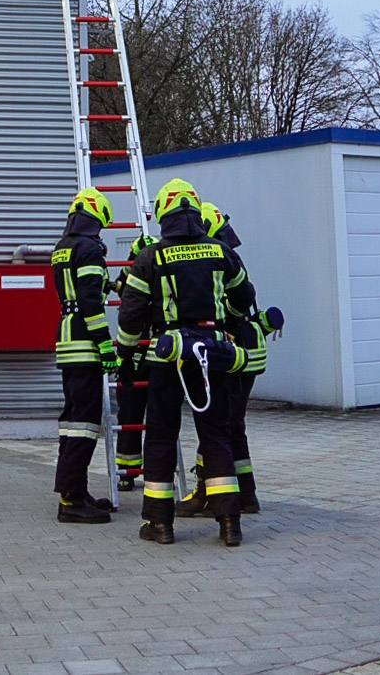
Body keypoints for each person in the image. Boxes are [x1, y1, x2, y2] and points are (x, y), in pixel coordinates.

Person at [117, 177, 257, 547]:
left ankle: (159, 524)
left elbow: (131, 314)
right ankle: (230, 523)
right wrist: (226, 322)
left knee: (161, 436)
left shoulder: (151, 257)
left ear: (163, 214)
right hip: (212, 354)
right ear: (196, 212)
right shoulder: (220, 251)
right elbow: (244, 297)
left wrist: (125, 354)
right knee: (216, 435)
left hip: (167, 357)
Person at [176, 201, 283, 519]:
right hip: (249, 351)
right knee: (233, 426)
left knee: (216, 425)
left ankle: (207, 493)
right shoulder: (229, 258)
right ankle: (246, 495)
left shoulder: (215, 261)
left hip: (234, 354)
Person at [51, 186, 117, 524]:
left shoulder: (63, 246)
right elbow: (91, 302)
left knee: (72, 421)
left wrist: (115, 284)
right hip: (85, 340)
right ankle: (72, 500)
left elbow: (81, 289)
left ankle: (74, 490)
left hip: (67, 337)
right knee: (85, 424)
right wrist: (105, 345)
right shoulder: (90, 248)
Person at [112, 231, 155, 490]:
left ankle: (147, 472)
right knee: (133, 416)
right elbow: (123, 286)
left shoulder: (151, 266)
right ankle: (130, 471)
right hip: (144, 355)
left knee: (145, 417)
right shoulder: (141, 266)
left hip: (147, 354)